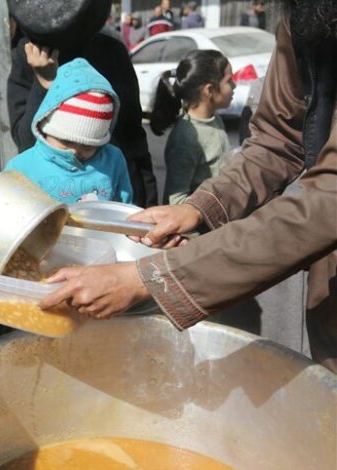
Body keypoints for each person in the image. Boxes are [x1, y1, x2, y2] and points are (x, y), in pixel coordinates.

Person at [38, 1, 337, 374]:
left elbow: (327, 200)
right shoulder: (308, 15)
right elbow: (279, 140)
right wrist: (199, 208)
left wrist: (152, 278)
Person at [7, 0, 157, 208]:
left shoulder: (111, 52)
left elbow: (133, 136)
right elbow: (26, 141)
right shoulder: (28, 55)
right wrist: (44, 84)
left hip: (113, 197)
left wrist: (149, 200)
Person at [6, 58, 132, 204]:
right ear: (46, 127)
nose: (74, 151)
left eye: (87, 146)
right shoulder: (22, 167)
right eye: (66, 141)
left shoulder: (113, 160)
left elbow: (123, 206)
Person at [150, 50, 235, 204]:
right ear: (209, 90)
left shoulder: (214, 118)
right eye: (229, 81)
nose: (234, 86)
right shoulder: (186, 139)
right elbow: (175, 201)